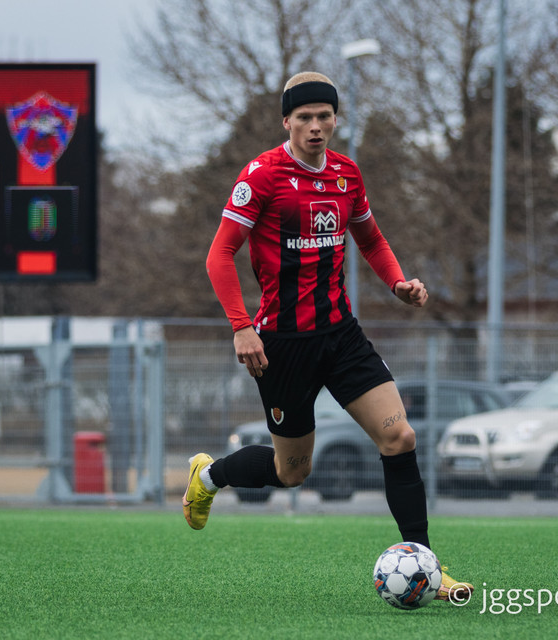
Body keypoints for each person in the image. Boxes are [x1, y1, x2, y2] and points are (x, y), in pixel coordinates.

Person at [183, 71, 473, 602]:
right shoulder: (262, 176)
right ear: (287, 122)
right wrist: (242, 326)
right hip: (282, 345)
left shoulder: (346, 174)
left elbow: (371, 239)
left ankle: (428, 567)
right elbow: (219, 254)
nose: (315, 126)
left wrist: (397, 283)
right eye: (305, 117)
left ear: (336, 119)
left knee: (400, 438)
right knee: (291, 472)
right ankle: (209, 476)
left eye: (324, 116)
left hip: (341, 336)